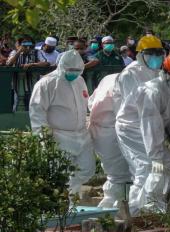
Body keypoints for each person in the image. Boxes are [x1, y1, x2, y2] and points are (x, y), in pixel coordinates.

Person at [116, 52, 170, 215]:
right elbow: (150, 125)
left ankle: (155, 203)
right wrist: (156, 154)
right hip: (132, 129)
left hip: (150, 129)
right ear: (166, 74)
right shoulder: (152, 91)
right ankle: (138, 209)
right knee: (149, 167)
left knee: (169, 163)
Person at [29, 50, 95, 204]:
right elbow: (37, 113)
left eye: (77, 71)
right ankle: (67, 205)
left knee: (87, 169)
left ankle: (72, 196)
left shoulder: (80, 81)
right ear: (61, 67)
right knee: (63, 174)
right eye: (70, 70)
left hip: (81, 135)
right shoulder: (47, 83)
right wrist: (44, 138)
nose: (73, 73)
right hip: (58, 136)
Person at [88, 74, 131, 208]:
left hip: (99, 129)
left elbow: (91, 102)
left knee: (114, 173)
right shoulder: (127, 82)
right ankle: (120, 206)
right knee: (122, 174)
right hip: (114, 129)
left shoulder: (108, 79)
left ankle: (109, 206)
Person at [112, 35, 164, 113]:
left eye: (158, 53)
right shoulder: (129, 74)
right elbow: (130, 105)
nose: (155, 56)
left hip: (151, 117)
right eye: (150, 53)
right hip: (131, 121)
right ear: (140, 54)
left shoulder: (157, 72)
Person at [7, 35, 49, 111]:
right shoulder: (15, 52)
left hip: (33, 86)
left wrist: (32, 64)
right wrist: (19, 51)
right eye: (24, 44)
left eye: (28, 44)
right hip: (18, 87)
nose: (27, 47)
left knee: (34, 108)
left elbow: (46, 63)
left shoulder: (37, 52)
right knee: (18, 108)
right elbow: (8, 63)